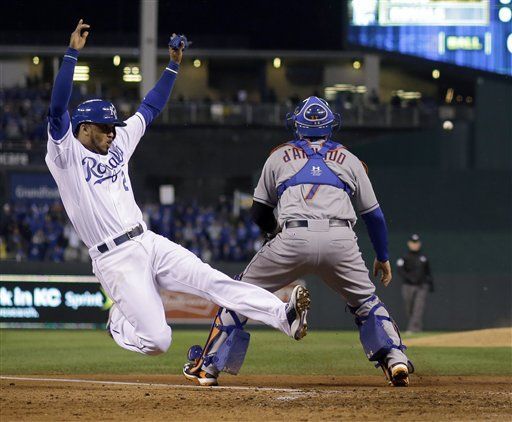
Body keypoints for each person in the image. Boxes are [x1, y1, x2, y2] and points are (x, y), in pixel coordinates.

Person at [45, 20, 310, 360]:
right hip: (114, 258)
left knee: (213, 280)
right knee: (159, 342)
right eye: (105, 128)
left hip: (147, 240)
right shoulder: (65, 153)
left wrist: (173, 65)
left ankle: (283, 316)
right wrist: (71, 54)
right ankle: (117, 323)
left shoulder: (119, 143)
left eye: (113, 127)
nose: (113, 133)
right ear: (84, 127)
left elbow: (150, 107)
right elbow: (56, 110)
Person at [183, 96, 414, 387]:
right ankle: (395, 359)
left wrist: (274, 233)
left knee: (238, 295)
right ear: (331, 126)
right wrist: (382, 256)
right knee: (366, 304)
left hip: (292, 235)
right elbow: (374, 217)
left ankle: (208, 367)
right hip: (340, 238)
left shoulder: (278, 156)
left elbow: (259, 211)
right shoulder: (351, 160)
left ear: (297, 126)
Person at [396, 234, 434, 333]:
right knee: (410, 308)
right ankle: (417, 326)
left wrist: (431, 284)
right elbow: (400, 271)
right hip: (408, 286)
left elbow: (428, 272)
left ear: (419, 244)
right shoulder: (404, 257)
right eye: (413, 242)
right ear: (409, 244)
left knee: (418, 307)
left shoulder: (423, 257)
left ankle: (413, 328)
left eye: (416, 243)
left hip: (421, 286)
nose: (415, 245)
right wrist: (410, 278)